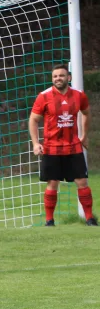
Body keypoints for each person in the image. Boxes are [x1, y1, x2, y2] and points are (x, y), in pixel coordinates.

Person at [29, 64, 97, 226]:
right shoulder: (44, 96)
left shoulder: (79, 95)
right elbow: (33, 119)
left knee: (82, 182)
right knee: (52, 183)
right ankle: (49, 221)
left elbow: (86, 113)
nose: (58, 78)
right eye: (55, 76)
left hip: (73, 147)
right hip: (52, 148)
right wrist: (36, 143)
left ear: (69, 78)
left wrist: (84, 136)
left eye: (61, 75)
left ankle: (89, 219)